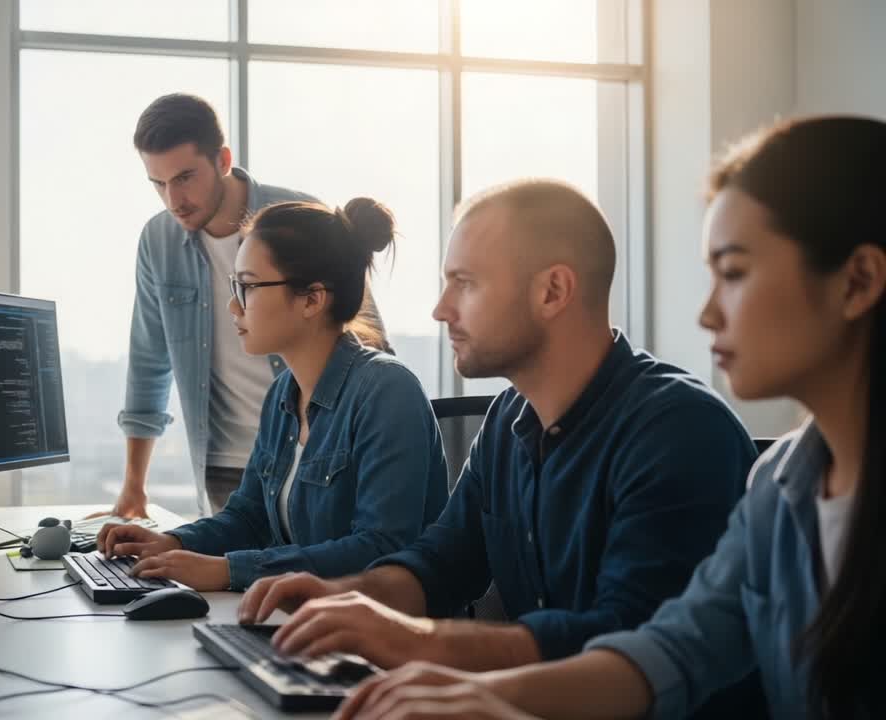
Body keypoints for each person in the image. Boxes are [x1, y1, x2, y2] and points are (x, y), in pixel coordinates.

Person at [336, 116, 886, 719]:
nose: (705, 315)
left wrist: (434, 652)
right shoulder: (782, 483)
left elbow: (632, 630)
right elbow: (667, 651)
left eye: (732, 274)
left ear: (857, 281)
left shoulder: (682, 431)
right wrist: (477, 697)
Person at [237, 180, 762, 714]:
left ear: (553, 292)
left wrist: (419, 644)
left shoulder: (678, 431)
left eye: (464, 284)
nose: (441, 310)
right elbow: (442, 562)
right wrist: (348, 601)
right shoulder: (508, 418)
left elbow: (626, 639)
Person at [95, 198, 448, 592]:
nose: (233, 305)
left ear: (312, 299)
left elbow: (380, 549)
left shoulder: (386, 392)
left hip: (378, 639)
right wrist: (174, 542)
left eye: (247, 286)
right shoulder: (284, 392)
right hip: (297, 620)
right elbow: (249, 517)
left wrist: (228, 570)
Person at [107, 93, 386, 518]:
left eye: (185, 177)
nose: (173, 199)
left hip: (317, 456)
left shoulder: (294, 218)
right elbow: (149, 362)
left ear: (222, 159)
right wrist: (133, 488)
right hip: (224, 467)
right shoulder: (158, 241)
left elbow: (366, 337)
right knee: (225, 579)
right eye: (158, 184)